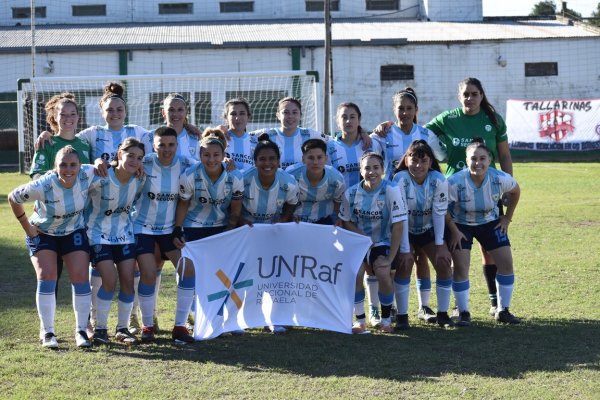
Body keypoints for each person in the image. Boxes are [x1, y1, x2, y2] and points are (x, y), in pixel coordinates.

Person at [425, 78, 513, 317]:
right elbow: (421, 134)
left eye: (474, 94)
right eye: (465, 94)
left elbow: (504, 155)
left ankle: (496, 303)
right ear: (459, 96)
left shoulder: (493, 120)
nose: (470, 98)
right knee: (458, 250)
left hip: (487, 189)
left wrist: (506, 186)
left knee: (491, 250)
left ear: (481, 96)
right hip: (455, 192)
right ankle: (459, 306)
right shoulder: (448, 118)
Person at [9, 146, 95, 348]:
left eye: (73, 165)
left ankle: (81, 330)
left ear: (80, 165)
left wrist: (102, 163)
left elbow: (113, 166)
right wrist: (27, 226)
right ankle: (47, 332)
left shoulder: (87, 173)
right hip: (43, 233)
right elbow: (13, 197)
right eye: (63, 165)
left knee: (81, 277)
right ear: (55, 167)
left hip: (73, 231)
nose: (68, 169)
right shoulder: (44, 184)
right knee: (47, 276)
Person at [172, 128, 244, 342]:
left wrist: (230, 230)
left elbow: (236, 207)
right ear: (200, 155)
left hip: (221, 228)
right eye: (206, 154)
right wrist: (178, 229)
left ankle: (223, 320)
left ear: (223, 156)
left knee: (222, 275)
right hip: (194, 228)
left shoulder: (235, 176)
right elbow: (183, 203)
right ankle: (181, 325)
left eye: (215, 155)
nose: (211, 159)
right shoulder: (190, 175)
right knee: (189, 273)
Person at [445, 139, 521, 326]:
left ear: (489, 160)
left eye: (482, 158)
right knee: (461, 267)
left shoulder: (499, 178)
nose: (477, 163)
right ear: (466, 160)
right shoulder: (454, 181)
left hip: (490, 223)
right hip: (461, 225)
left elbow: (516, 191)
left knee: (506, 263)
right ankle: (463, 312)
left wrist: (507, 218)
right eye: (473, 158)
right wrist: (453, 231)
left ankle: (503, 310)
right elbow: (441, 207)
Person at [338, 152, 411, 333]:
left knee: (383, 272)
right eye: (367, 168)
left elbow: (398, 226)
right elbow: (345, 220)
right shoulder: (351, 193)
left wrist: (391, 257)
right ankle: (360, 321)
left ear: (383, 169)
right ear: (361, 172)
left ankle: (386, 320)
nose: (372, 172)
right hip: (359, 240)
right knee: (356, 273)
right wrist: (362, 237)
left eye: (376, 167)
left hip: (383, 241)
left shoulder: (391, 190)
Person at [133, 127, 195, 342]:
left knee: (187, 271)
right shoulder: (145, 162)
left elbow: (207, 168)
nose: (166, 149)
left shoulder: (186, 164)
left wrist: (228, 166)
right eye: (161, 145)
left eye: (171, 145)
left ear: (177, 145)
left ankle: (180, 326)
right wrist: (99, 164)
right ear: (154, 146)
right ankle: (147, 326)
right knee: (148, 274)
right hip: (143, 229)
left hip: (170, 230)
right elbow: (119, 164)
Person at [86, 138, 146, 345]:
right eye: (130, 155)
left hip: (124, 236)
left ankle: (122, 329)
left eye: (139, 158)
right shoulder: (100, 176)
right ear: (120, 154)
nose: (134, 161)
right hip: (97, 235)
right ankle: (101, 329)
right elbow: (75, 183)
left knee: (128, 282)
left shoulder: (139, 179)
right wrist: (96, 161)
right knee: (109, 281)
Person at [240, 133, 299, 334]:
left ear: (278, 161)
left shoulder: (288, 181)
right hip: (248, 234)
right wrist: (241, 221)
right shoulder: (243, 179)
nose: (267, 163)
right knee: (250, 276)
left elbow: (292, 203)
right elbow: (232, 205)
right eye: (262, 159)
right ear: (255, 161)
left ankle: (276, 318)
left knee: (276, 275)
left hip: (274, 234)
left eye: (272, 159)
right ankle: (250, 318)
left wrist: (284, 220)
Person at [392, 140, 453, 328]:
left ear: (430, 162)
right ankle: (402, 316)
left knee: (443, 262)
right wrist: (404, 249)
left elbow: (438, 213)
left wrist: (440, 244)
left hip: (427, 229)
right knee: (406, 261)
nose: (418, 165)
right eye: (413, 160)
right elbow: (400, 215)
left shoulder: (438, 180)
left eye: (423, 161)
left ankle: (442, 314)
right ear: (406, 160)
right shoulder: (399, 179)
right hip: (404, 229)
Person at [30, 93, 91, 179]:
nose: (68, 118)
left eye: (72, 114)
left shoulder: (86, 145)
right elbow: (36, 175)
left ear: (78, 117)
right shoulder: (46, 143)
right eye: (63, 114)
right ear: (55, 117)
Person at [285, 138, 345, 224]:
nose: (315, 162)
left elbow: (338, 201)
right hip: (295, 221)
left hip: (323, 221)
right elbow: (283, 201)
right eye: (311, 158)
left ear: (326, 158)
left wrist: (340, 219)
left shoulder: (336, 178)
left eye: (319, 157)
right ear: (303, 159)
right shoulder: (291, 175)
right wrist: (288, 216)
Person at [222, 97, 259, 172]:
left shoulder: (256, 142)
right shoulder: (219, 139)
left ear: (248, 117)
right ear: (226, 118)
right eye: (233, 114)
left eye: (242, 113)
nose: (237, 118)